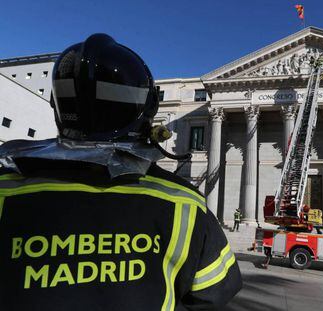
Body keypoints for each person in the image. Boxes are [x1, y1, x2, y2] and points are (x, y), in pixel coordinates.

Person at [0, 34, 242, 311]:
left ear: (58, 107)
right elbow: (215, 292)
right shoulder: (183, 203)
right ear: (147, 112)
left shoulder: (6, 188)